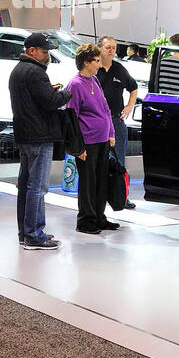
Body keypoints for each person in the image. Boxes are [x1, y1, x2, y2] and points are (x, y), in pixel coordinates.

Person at [9, 32, 71, 249]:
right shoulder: (35, 72)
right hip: (39, 136)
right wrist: (66, 93)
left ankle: (25, 233)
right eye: (44, 52)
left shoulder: (18, 71)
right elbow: (51, 101)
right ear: (31, 50)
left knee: (26, 185)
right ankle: (34, 235)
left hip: (25, 135)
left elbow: (37, 98)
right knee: (38, 187)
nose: (47, 56)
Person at [66, 43, 117, 235]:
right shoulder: (75, 84)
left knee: (100, 180)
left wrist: (111, 132)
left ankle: (99, 217)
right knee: (88, 182)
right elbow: (71, 118)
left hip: (103, 140)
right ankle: (86, 221)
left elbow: (105, 108)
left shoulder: (94, 80)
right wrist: (78, 148)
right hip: (87, 142)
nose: (99, 63)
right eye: (96, 60)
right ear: (86, 62)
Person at [96, 36, 138, 209]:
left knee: (119, 161)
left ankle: (121, 197)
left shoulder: (120, 69)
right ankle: (98, 197)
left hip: (116, 121)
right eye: (108, 47)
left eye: (113, 47)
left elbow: (133, 88)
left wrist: (129, 106)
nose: (111, 50)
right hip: (97, 123)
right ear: (99, 48)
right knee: (98, 160)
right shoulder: (93, 68)